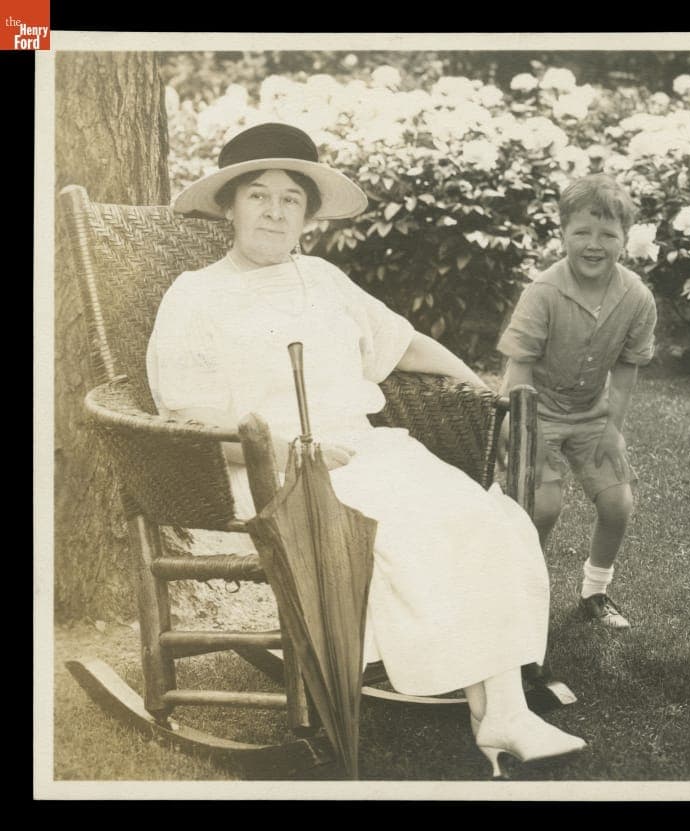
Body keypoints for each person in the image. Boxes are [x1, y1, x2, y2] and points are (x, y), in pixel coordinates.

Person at [147, 122, 586, 776]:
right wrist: (295, 449)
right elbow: (187, 410)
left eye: (290, 199)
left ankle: (499, 705)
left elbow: (399, 343)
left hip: (366, 450)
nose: (273, 210)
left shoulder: (322, 279)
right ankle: (484, 698)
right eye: (258, 195)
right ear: (230, 206)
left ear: (306, 216)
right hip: (273, 471)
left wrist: (477, 383)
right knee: (408, 532)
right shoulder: (195, 295)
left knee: (483, 515)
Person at [498, 174, 657, 630]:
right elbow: (520, 365)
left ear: (625, 240)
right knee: (544, 507)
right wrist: (523, 429)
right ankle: (521, 595)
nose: (594, 244)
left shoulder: (636, 297)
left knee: (617, 503)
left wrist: (613, 427)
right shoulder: (545, 292)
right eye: (582, 232)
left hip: (591, 413)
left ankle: (595, 591)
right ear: (562, 232)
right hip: (535, 410)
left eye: (608, 235)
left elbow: (628, 366)